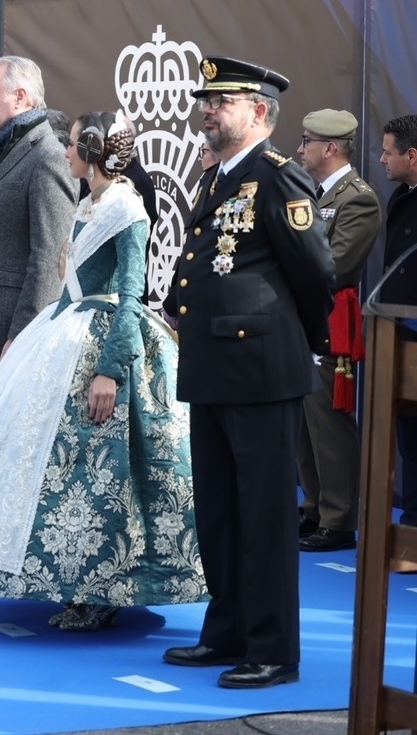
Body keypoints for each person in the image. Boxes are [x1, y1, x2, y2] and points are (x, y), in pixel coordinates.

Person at [0, 110, 207, 632]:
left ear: (89, 149)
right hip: (64, 333)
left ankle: (105, 587)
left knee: (105, 474)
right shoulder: (90, 202)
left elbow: (132, 294)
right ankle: (68, 578)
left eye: (71, 145)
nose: (64, 152)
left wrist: (110, 370)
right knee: (65, 472)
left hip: (106, 345)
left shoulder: (127, 207)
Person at [162, 56, 334, 689]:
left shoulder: (278, 178)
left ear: (259, 111)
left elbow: (316, 274)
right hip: (211, 364)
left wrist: (297, 341)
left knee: (262, 516)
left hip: (261, 369)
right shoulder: (216, 179)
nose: (207, 110)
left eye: (221, 100)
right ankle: (226, 630)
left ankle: (273, 651)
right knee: (218, 511)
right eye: (205, 100)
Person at [0, 56, 78, 389]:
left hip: (15, 333)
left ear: (20, 97)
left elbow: (51, 257)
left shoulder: (47, 156)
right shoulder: (4, 150)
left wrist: (24, 335)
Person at [295, 109, 381, 553]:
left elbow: (338, 264)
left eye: (307, 140)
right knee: (307, 423)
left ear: (331, 147)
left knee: (329, 422)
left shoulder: (357, 198)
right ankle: (314, 507)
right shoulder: (314, 191)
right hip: (304, 318)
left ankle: (340, 516)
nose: (300, 148)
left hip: (330, 320)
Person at [378, 116, 417, 542]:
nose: (383, 158)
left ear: (412, 155)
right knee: (408, 435)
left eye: (389, 151)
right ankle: (412, 525)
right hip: (400, 334)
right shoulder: (399, 198)